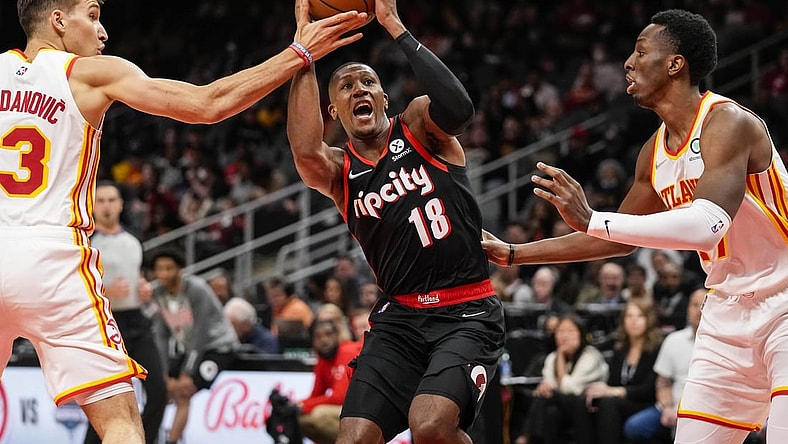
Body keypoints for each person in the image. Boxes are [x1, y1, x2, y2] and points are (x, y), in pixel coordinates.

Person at [1, 1, 367, 442]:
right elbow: (207, 104)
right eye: (93, 15)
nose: (103, 32)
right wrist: (299, 54)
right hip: (52, 257)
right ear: (59, 20)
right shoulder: (88, 74)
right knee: (118, 420)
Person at [483, 9, 788, 443]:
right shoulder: (652, 153)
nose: (628, 62)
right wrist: (514, 253)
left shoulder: (728, 122)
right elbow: (614, 239)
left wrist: (595, 217)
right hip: (725, 311)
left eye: (641, 52)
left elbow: (707, 226)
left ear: (675, 63)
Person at [285, 0, 506, 442]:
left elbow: (460, 110)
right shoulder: (337, 170)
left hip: (467, 311)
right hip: (399, 319)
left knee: (430, 425)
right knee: (353, 438)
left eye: (368, 82)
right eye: (346, 87)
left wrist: (393, 25)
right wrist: (304, 49)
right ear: (334, 112)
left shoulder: (421, 125)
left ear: (385, 97)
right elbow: (305, 151)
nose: (359, 90)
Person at [83, 182, 167, 444]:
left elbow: (138, 276)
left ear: (121, 204)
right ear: (92, 206)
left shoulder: (133, 240)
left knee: (159, 392)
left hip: (136, 321)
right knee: (106, 402)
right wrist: (105, 291)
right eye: (101, 201)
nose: (106, 206)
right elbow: (74, 286)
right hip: (105, 324)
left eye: (111, 200)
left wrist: (143, 288)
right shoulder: (85, 242)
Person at [148, 248, 240, 444]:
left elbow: (201, 332)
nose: (163, 274)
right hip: (189, 348)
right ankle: (150, 438)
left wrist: (186, 374)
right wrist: (164, 372)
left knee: (183, 392)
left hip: (217, 347)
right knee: (160, 391)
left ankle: (171, 441)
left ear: (180, 269)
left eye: (169, 268)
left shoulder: (196, 289)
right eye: (159, 269)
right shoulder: (158, 294)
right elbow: (162, 335)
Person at [623, 287, 705, 443]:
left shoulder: (726, 344)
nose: (699, 311)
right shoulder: (673, 340)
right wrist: (667, 408)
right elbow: (663, 382)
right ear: (688, 309)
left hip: (706, 411)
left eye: (704, 305)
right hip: (672, 409)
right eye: (695, 305)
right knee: (635, 427)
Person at [576, 299, 662, 444]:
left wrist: (613, 391)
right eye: (629, 316)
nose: (633, 321)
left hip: (646, 403)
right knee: (586, 401)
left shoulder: (656, 348)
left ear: (648, 320)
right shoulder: (620, 348)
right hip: (622, 401)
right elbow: (612, 382)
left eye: (639, 316)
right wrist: (599, 392)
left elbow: (649, 390)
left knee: (609, 404)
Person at [514, 314, 609, 444]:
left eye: (570, 331)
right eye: (561, 331)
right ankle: (527, 437)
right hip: (562, 409)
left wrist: (560, 357)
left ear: (581, 334)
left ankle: (524, 436)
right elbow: (551, 387)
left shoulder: (591, 356)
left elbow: (569, 389)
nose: (565, 336)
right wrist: (545, 387)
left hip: (587, 408)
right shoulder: (552, 358)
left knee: (548, 398)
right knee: (551, 413)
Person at [297, 319, 363, 444]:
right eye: (318, 337)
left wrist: (302, 405)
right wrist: (296, 406)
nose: (324, 340)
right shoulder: (322, 361)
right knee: (300, 419)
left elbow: (340, 397)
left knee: (319, 415)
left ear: (337, 336)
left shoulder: (347, 352)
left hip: (365, 408)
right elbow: (316, 394)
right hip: (350, 410)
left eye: (328, 335)